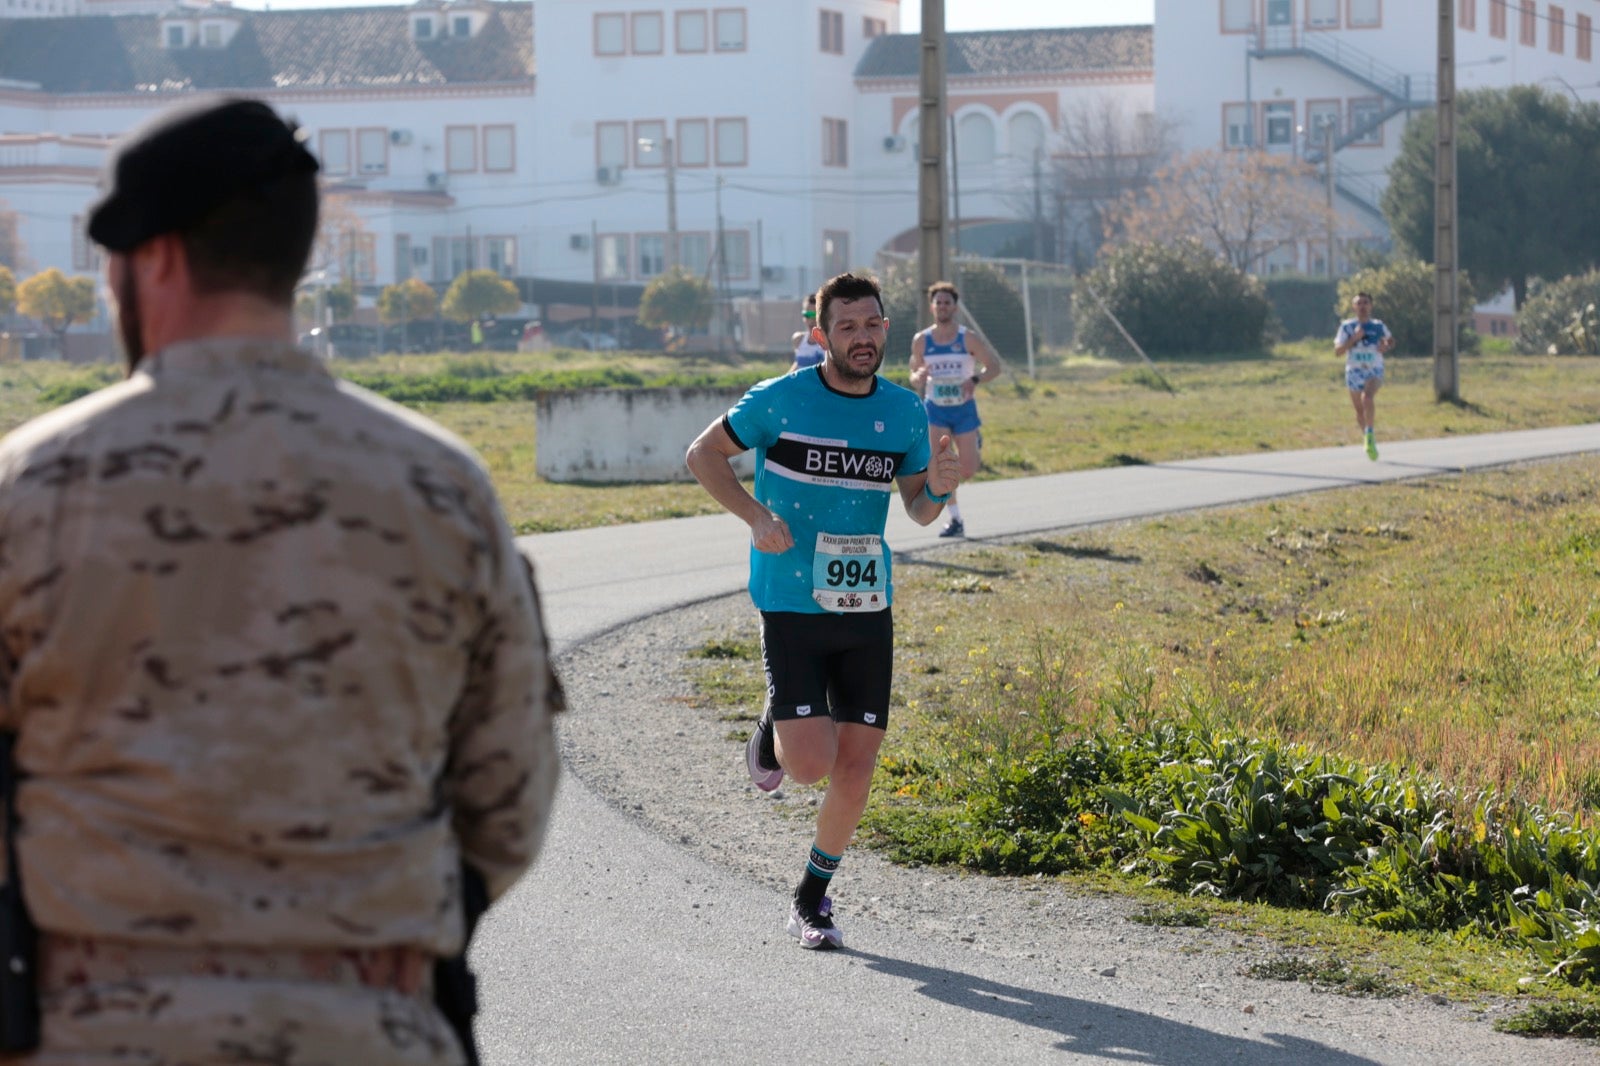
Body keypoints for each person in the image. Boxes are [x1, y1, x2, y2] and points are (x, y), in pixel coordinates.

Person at [0, 97, 561, 1063]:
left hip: (93, 1023)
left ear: (160, 257)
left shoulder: (34, 484)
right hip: (369, 1021)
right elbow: (508, 797)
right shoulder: (442, 485)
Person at [686, 272, 959, 951]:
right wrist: (754, 515)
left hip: (867, 603)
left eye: (871, 325)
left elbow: (919, 510)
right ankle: (774, 724)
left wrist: (941, 491)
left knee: (857, 767)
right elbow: (702, 455)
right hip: (789, 598)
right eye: (846, 327)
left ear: (885, 331)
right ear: (821, 335)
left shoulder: (904, 412)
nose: (861, 338)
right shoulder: (780, 400)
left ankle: (812, 899)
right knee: (808, 764)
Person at [907, 281, 1003, 537]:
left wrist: (974, 380)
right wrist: (919, 375)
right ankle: (955, 519)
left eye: (947, 302)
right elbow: (914, 376)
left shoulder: (967, 337)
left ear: (954, 307)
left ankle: (974, 441)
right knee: (941, 466)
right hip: (935, 408)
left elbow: (994, 366)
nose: (942, 306)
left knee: (968, 469)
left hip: (963, 409)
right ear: (932, 307)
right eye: (938, 302)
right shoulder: (922, 341)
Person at [1334, 290, 1394, 461]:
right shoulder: (1346, 327)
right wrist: (1353, 339)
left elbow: (1390, 340)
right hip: (1354, 371)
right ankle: (1369, 438)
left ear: (1371, 306)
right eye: (1359, 303)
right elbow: (1338, 351)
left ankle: (1369, 433)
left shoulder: (1378, 325)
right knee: (1360, 412)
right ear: (1353, 307)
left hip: (1374, 369)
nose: (1362, 306)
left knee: (1367, 398)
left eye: (1365, 302)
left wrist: (1386, 346)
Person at [789, 292, 826, 372]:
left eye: (815, 315)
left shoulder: (830, 343)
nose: (811, 321)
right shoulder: (798, 339)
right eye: (807, 315)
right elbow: (798, 364)